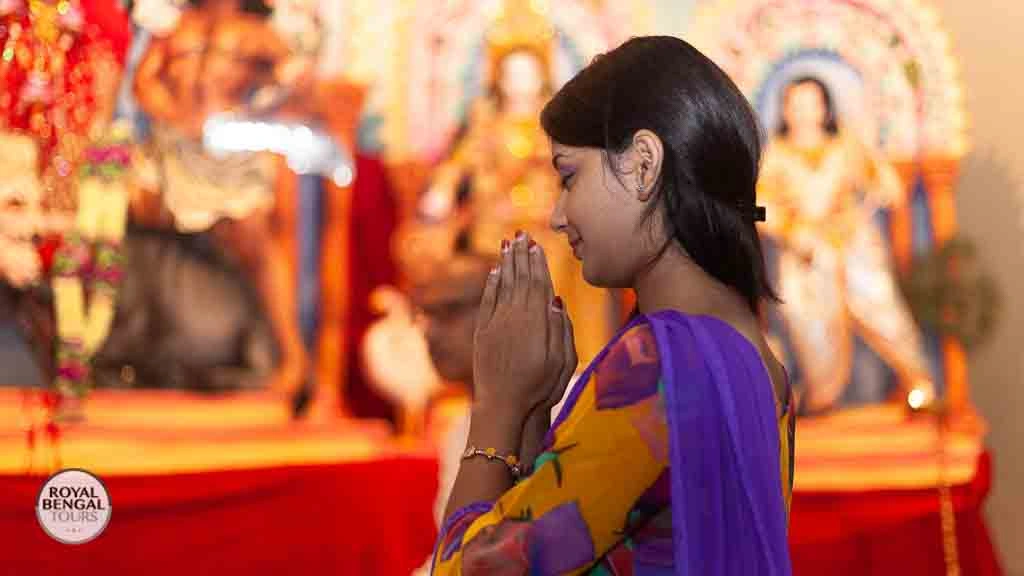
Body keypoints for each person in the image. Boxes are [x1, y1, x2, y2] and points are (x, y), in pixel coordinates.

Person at [431, 36, 794, 575]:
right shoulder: (754, 355)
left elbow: (469, 571)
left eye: (569, 176)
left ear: (644, 165)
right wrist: (533, 415)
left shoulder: (656, 364)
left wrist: (496, 409)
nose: (556, 216)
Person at [757, 76, 933, 413]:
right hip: (805, 257)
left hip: (854, 251)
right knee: (804, 319)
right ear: (785, 110)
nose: (805, 113)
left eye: (812, 104)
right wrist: (793, 230)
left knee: (883, 310)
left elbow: (885, 183)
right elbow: (757, 208)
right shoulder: (775, 157)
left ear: (825, 108)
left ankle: (918, 382)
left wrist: (879, 190)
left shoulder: (846, 147)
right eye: (796, 104)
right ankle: (822, 394)